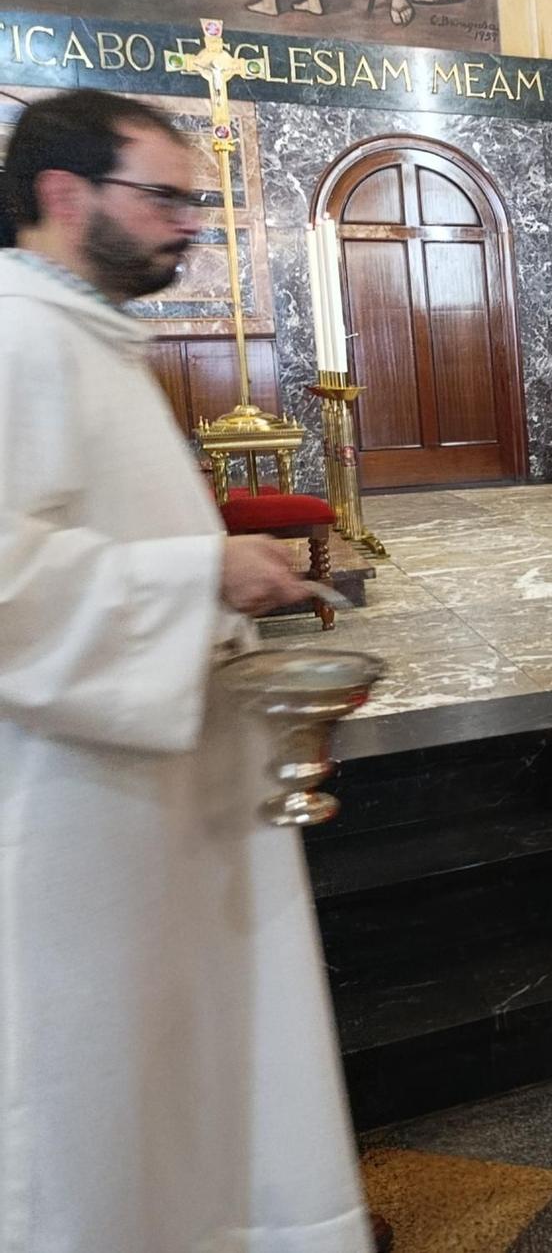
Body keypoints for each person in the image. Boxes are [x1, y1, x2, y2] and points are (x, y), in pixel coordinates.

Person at [0, 90, 375, 1252]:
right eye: (163, 197)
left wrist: (207, 571)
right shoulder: (16, 341)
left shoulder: (82, 335)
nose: (188, 227)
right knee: (99, 1083)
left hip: (147, 781)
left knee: (180, 1054)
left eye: (193, 201)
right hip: (69, 806)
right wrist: (202, 577)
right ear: (66, 198)